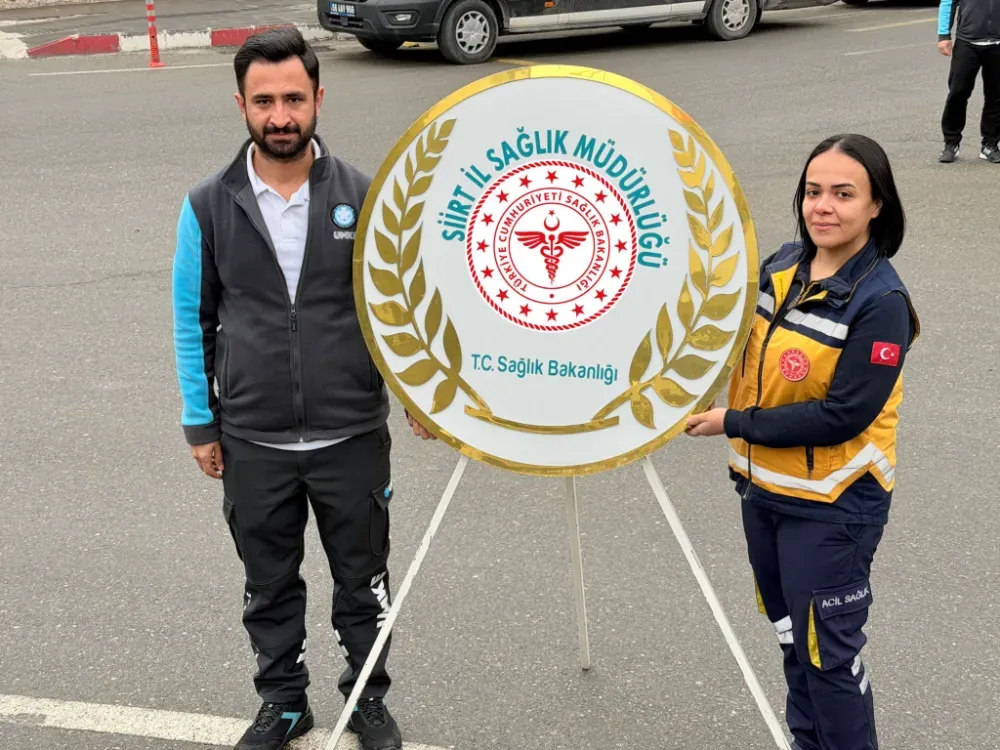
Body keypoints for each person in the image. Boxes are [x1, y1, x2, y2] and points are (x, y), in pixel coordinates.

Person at [171, 27, 433, 750]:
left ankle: (367, 699)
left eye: (293, 98)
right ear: (241, 105)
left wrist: (419, 392)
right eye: (264, 102)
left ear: (319, 98)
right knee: (268, 584)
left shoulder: (366, 195)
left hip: (351, 434)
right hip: (252, 438)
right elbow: (192, 319)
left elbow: (398, 306)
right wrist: (200, 422)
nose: (280, 116)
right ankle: (284, 702)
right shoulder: (207, 205)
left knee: (364, 582)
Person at [685, 134, 919, 750]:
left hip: (833, 507)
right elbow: (716, 330)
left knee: (828, 657)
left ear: (876, 205)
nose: (824, 206)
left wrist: (733, 422)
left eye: (844, 194)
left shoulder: (882, 302)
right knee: (793, 639)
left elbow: (843, 415)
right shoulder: (780, 268)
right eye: (814, 191)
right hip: (763, 492)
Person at [936, 0, 1000, 163]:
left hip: (997, 44)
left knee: (996, 96)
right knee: (957, 93)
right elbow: (948, 2)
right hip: (967, 42)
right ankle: (951, 143)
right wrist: (944, 35)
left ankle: (990, 144)